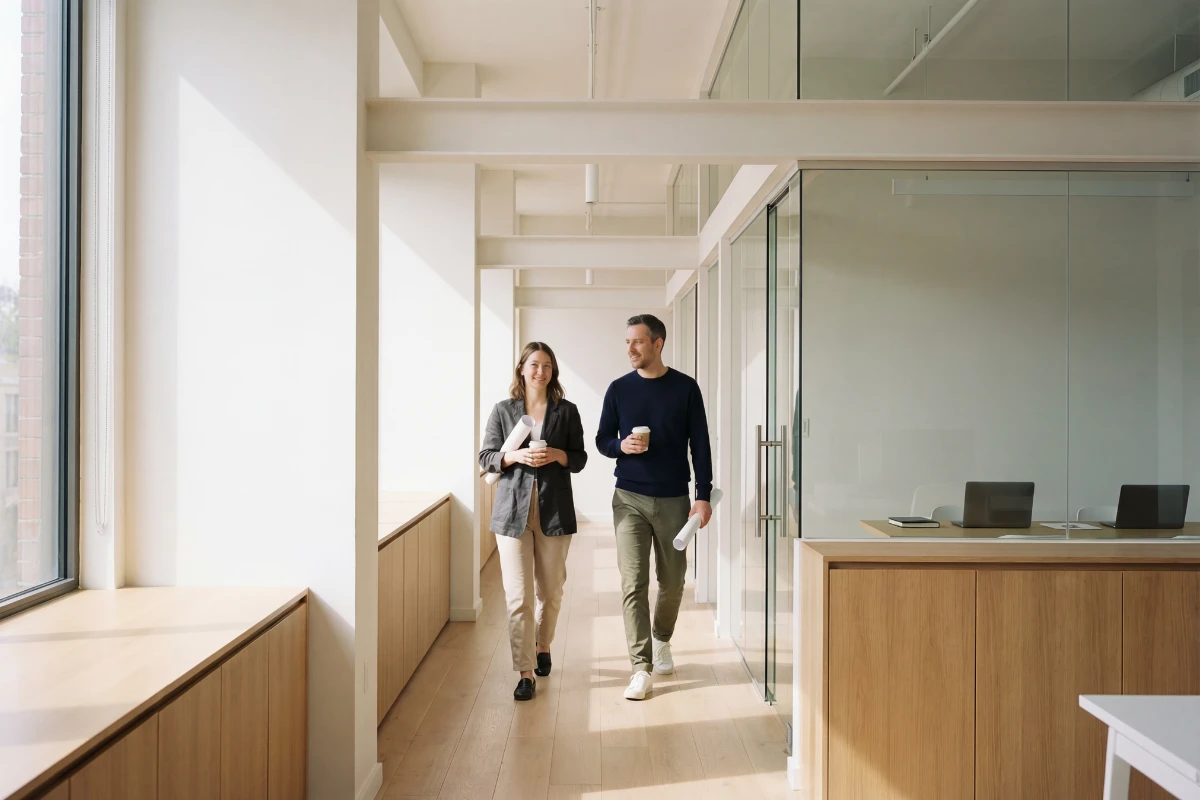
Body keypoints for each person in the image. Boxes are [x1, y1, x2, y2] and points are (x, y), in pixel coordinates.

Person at [596, 314, 713, 701]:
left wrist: (703, 495)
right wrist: (621, 446)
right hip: (628, 498)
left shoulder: (685, 388)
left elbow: (700, 444)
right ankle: (640, 667)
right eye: (627, 342)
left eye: (638, 342)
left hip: (675, 499)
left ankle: (662, 638)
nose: (630, 349)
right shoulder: (618, 389)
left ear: (657, 343)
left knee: (673, 581)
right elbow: (602, 439)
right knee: (633, 583)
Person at [480, 342, 587, 702]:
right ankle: (525, 672)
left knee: (551, 592)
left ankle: (543, 644)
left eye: (547, 366)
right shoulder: (503, 410)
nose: (540, 371)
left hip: (554, 511)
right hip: (512, 513)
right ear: (522, 369)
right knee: (518, 596)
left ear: (553, 371)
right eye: (534, 365)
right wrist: (515, 456)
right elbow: (486, 456)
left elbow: (579, 458)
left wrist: (556, 454)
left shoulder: (566, 411)